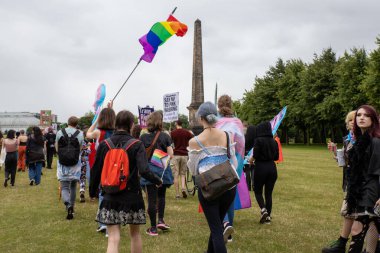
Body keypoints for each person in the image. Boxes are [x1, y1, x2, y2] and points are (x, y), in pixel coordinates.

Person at [90, 110, 162, 253]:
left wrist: (92, 191)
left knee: (113, 238)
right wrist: (157, 180)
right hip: (132, 196)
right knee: (135, 235)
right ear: (131, 124)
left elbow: (95, 170)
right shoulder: (137, 144)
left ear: (116, 124)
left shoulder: (105, 144)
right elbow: (144, 170)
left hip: (110, 194)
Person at [187, 102, 237, 253]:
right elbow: (233, 161)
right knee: (215, 225)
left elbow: (194, 170)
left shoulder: (194, 141)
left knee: (216, 229)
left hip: (209, 188)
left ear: (201, 118)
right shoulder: (227, 136)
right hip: (228, 186)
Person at [345, 105, 380, 253]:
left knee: (357, 228)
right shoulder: (360, 140)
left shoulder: (375, 141)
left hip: (371, 190)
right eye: (359, 115)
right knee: (373, 226)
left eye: (366, 115)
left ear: (373, 120)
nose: (361, 118)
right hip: (360, 189)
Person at [215, 94, 248, 243]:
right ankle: (229, 234)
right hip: (235, 163)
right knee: (230, 196)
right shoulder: (237, 122)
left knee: (218, 195)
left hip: (219, 162)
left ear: (218, 106)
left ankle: (225, 223)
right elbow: (241, 144)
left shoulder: (216, 122)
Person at [140, 111, 174, 236]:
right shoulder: (165, 136)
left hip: (148, 172)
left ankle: (153, 228)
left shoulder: (143, 137)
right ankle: (161, 220)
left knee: (151, 200)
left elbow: (141, 155)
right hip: (162, 171)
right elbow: (171, 154)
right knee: (162, 196)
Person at [87, 104, 115, 234]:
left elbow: (88, 134)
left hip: (102, 166)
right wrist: (111, 110)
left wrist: (96, 120)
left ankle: (103, 223)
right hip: (114, 165)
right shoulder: (116, 132)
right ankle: (110, 221)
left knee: (102, 194)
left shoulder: (99, 132)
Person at [249, 121, 279, 224]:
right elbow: (276, 157)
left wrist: (250, 160)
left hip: (261, 167)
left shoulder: (258, 140)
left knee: (257, 191)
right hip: (272, 168)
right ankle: (268, 217)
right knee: (268, 194)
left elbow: (255, 155)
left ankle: (263, 210)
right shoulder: (274, 141)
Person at [56, 116, 84, 220]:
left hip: (62, 163)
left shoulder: (60, 132)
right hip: (75, 163)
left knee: (64, 187)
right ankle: (72, 206)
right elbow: (80, 148)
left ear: (67, 122)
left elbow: (56, 147)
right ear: (77, 124)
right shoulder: (80, 133)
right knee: (73, 186)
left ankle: (67, 205)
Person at [170, 119, 193, 199]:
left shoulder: (172, 133)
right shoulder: (187, 132)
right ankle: (183, 188)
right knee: (183, 174)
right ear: (182, 124)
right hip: (184, 155)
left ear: (176, 124)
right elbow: (192, 139)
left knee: (176, 175)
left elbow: (169, 143)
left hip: (176, 154)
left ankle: (177, 194)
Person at [244, 125, 257, 191]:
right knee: (253, 170)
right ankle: (254, 185)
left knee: (247, 171)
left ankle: (248, 186)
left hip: (246, 156)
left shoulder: (245, 138)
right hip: (253, 155)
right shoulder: (256, 139)